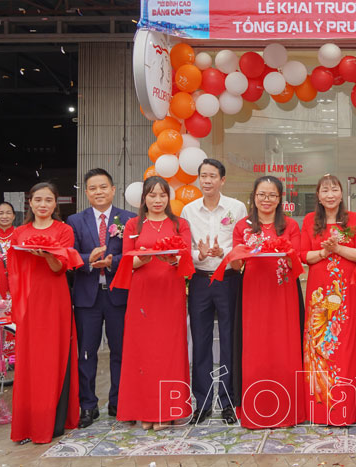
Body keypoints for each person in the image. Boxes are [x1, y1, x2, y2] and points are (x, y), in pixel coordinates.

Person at [114, 176, 192, 430]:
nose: (157, 200)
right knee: (142, 351)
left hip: (170, 292)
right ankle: (145, 411)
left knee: (169, 350)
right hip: (142, 294)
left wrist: (172, 260)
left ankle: (167, 411)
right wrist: (143, 259)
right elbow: (127, 261)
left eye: (162, 195)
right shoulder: (133, 224)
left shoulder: (180, 224)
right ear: (144, 198)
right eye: (152, 195)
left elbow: (186, 259)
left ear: (169, 197)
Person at [230, 176, 304, 429]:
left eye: (272, 195)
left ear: (280, 198)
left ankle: (288, 410)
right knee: (255, 348)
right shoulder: (243, 226)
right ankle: (256, 409)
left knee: (285, 347)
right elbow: (236, 265)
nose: (266, 200)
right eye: (262, 194)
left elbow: (296, 261)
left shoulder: (290, 225)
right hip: (254, 292)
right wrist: (231, 256)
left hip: (284, 291)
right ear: (254, 196)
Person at [8, 182, 80, 443]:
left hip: (55, 298)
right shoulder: (19, 233)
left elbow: (60, 268)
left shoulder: (64, 230)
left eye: (48, 200)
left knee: (55, 354)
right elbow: (14, 269)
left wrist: (47, 255)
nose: (43, 204)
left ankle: (53, 420)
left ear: (55, 203)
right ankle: (29, 421)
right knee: (30, 359)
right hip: (29, 299)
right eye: (38, 199)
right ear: (30, 202)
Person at [66, 168, 135, 428]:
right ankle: (88, 405)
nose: (99, 192)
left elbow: (133, 253)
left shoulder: (128, 219)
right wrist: (89, 259)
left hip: (119, 295)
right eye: (93, 188)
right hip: (87, 297)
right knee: (87, 352)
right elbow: (70, 254)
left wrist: (112, 262)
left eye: (103, 187)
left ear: (113, 189)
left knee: (120, 351)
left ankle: (118, 401)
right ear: (86, 193)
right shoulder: (75, 220)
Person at [180, 159, 247, 425]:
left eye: (212, 176)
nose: (207, 181)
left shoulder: (236, 207)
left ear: (222, 180)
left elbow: (242, 244)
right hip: (199, 281)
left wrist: (223, 253)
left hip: (228, 279)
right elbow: (184, 246)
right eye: (203, 176)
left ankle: (228, 401)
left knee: (230, 340)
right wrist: (199, 254)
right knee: (201, 340)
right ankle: (203, 401)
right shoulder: (188, 210)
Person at [301, 174, 356, 426]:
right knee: (319, 345)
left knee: (345, 344)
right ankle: (320, 409)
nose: (330, 195)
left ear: (341, 194)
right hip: (318, 294)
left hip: (346, 291)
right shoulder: (310, 220)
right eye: (325, 190)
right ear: (318, 196)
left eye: (334, 189)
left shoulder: (354, 219)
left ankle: (345, 409)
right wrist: (324, 251)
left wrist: (337, 249)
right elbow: (303, 255)